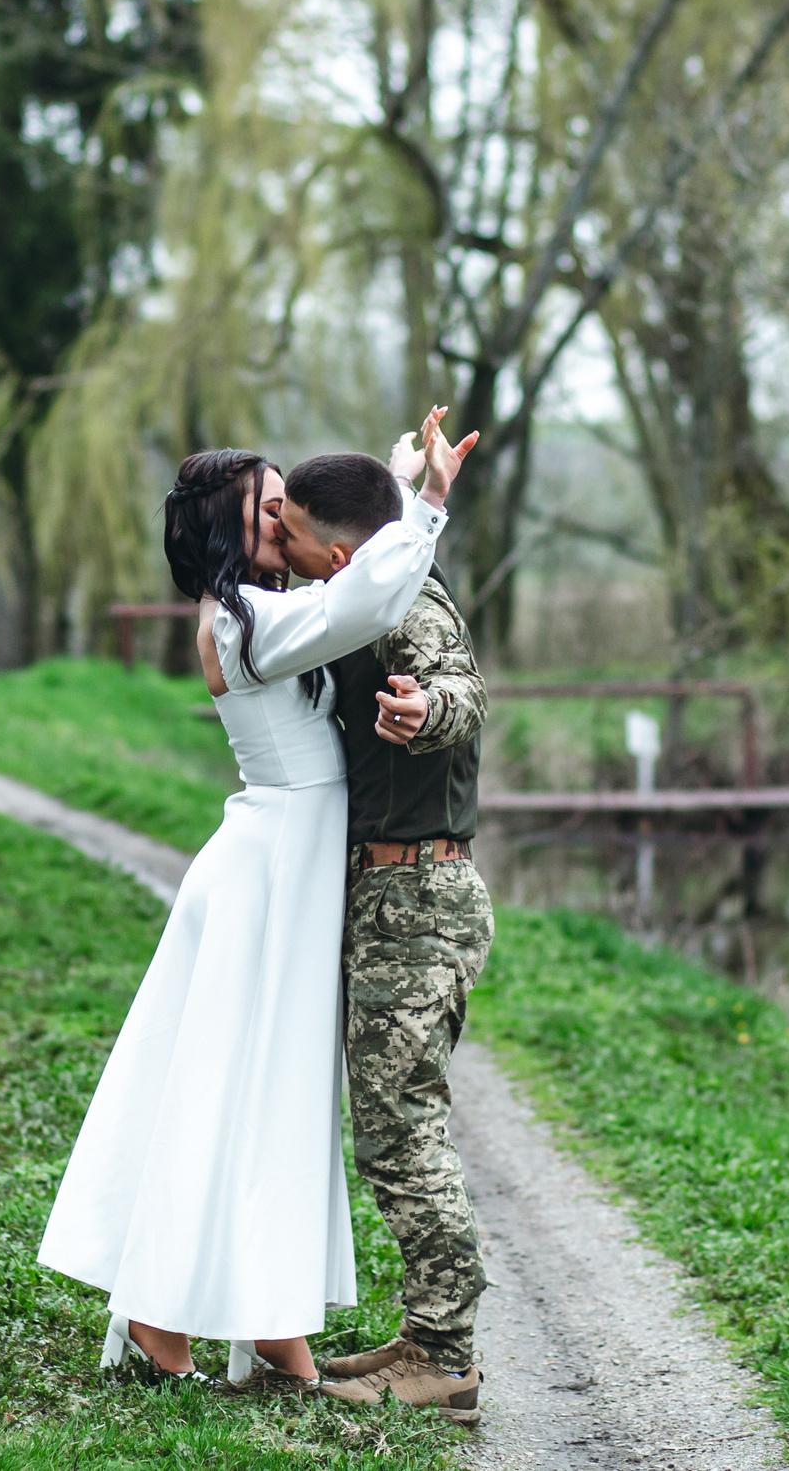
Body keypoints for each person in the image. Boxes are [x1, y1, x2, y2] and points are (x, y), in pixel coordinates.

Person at [36, 406, 480, 1390]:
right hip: (269, 875)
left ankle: (275, 1330)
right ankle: (162, 1319)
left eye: (287, 507)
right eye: (269, 508)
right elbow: (359, 601)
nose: (285, 522)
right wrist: (427, 507)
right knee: (230, 1096)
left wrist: (399, 493)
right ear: (227, 530)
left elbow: (355, 569)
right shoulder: (243, 621)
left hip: (294, 866)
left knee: (280, 1101)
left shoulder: (258, 613)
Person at [276, 449, 490, 1425]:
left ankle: (446, 1356)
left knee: (403, 1131)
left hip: (420, 897)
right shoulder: (371, 577)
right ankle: (425, 1334)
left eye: (288, 530)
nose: (277, 545)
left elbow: (461, 693)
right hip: (388, 895)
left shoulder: (408, 605)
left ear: (332, 550)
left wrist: (423, 707)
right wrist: (411, 478)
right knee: (390, 1127)